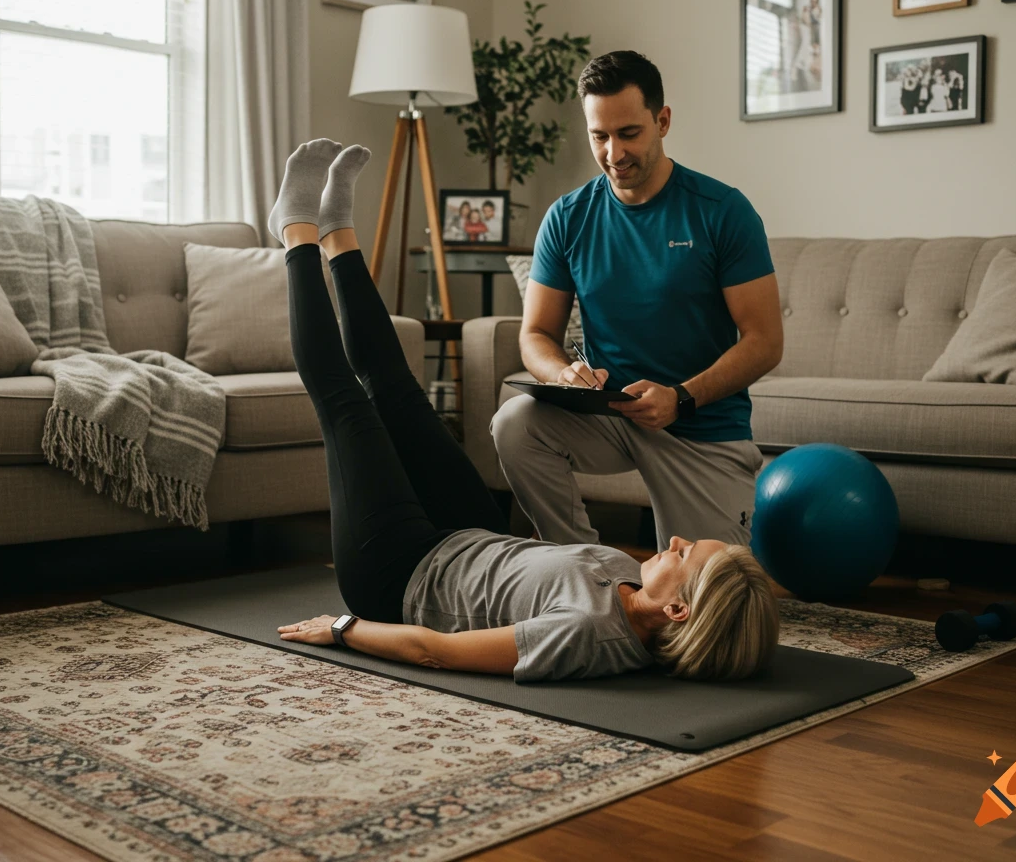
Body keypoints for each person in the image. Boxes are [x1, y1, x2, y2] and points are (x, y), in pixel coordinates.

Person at [260, 138, 780, 683]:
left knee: (347, 403)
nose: (672, 540)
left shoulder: (585, 633)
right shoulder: (633, 580)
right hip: (474, 537)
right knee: (400, 390)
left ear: (678, 610)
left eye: (685, 553)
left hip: (401, 575)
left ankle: (295, 232)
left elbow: (437, 650)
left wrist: (343, 628)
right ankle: (338, 233)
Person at [491, 51, 784, 553]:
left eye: (629, 134)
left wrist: (682, 397)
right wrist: (562, 374)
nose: (613, 153)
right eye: (598, 136)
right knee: (514, 425)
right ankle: (585, 570)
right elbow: (536, 334)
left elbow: (765, 342)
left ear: (662, 121)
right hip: (609, 416)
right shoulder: (567, 217)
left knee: (702, 607)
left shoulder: (723, 212)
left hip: (700, 426)